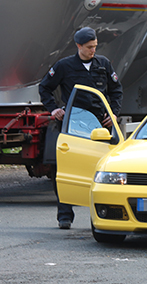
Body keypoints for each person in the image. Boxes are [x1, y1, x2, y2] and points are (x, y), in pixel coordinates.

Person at [39, 27, 123, 229]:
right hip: (73, 125)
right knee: (66, 170)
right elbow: (45, 87)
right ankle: (65, 215)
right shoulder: (64, 66)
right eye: (89, 47)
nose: (93, 50)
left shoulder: (103, 64)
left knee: (103, 170)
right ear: (79, 46)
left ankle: (102, 214)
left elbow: (116, 91)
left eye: (95, 46)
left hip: (99, 125)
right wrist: (54, 110)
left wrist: (113, 114)